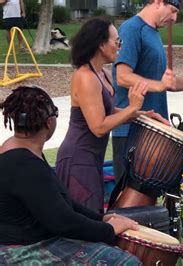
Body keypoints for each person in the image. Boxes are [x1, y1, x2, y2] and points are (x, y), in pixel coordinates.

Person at [0, 85, 141, 264]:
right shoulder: (26, 165)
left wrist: (101, 218)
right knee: (127, 262)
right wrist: (108, 229)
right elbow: (63, 221)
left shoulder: (16, 150)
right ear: (49, 122)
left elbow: (61, 201)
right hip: (20, 251)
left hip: (30, 240)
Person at [112, 0, 183, 185]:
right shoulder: (132, 29)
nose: (175, 18)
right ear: (159, 2)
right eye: (173, 10)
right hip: (130, 130)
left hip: (155, 131)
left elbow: (163, 81)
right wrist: (159, 85)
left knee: (149, 203)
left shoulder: (153, 32)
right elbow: (122, 76)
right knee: (129, 203)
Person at [55, 17, 148, 214]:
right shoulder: (86, 78)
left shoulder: (103, 73)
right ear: (101, 44)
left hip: (91, 158)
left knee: (94, 214)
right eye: (117, 42)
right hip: (78, 159)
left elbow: (106, 112)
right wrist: (131, 108)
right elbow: (98, 127)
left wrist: (141, 115)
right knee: (85, 220)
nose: (119, 47)